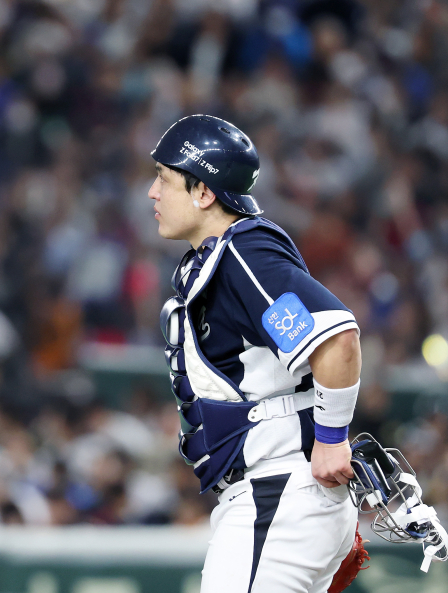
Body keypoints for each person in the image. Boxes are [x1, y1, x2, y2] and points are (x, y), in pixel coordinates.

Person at [151, 114, 361, 592]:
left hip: (279, 490)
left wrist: (332, 438)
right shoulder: (221, 257)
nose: (153, 192)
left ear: (204, 192)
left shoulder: (244, 251)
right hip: (276, 494)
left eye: (164, 178)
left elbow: (337, 336)